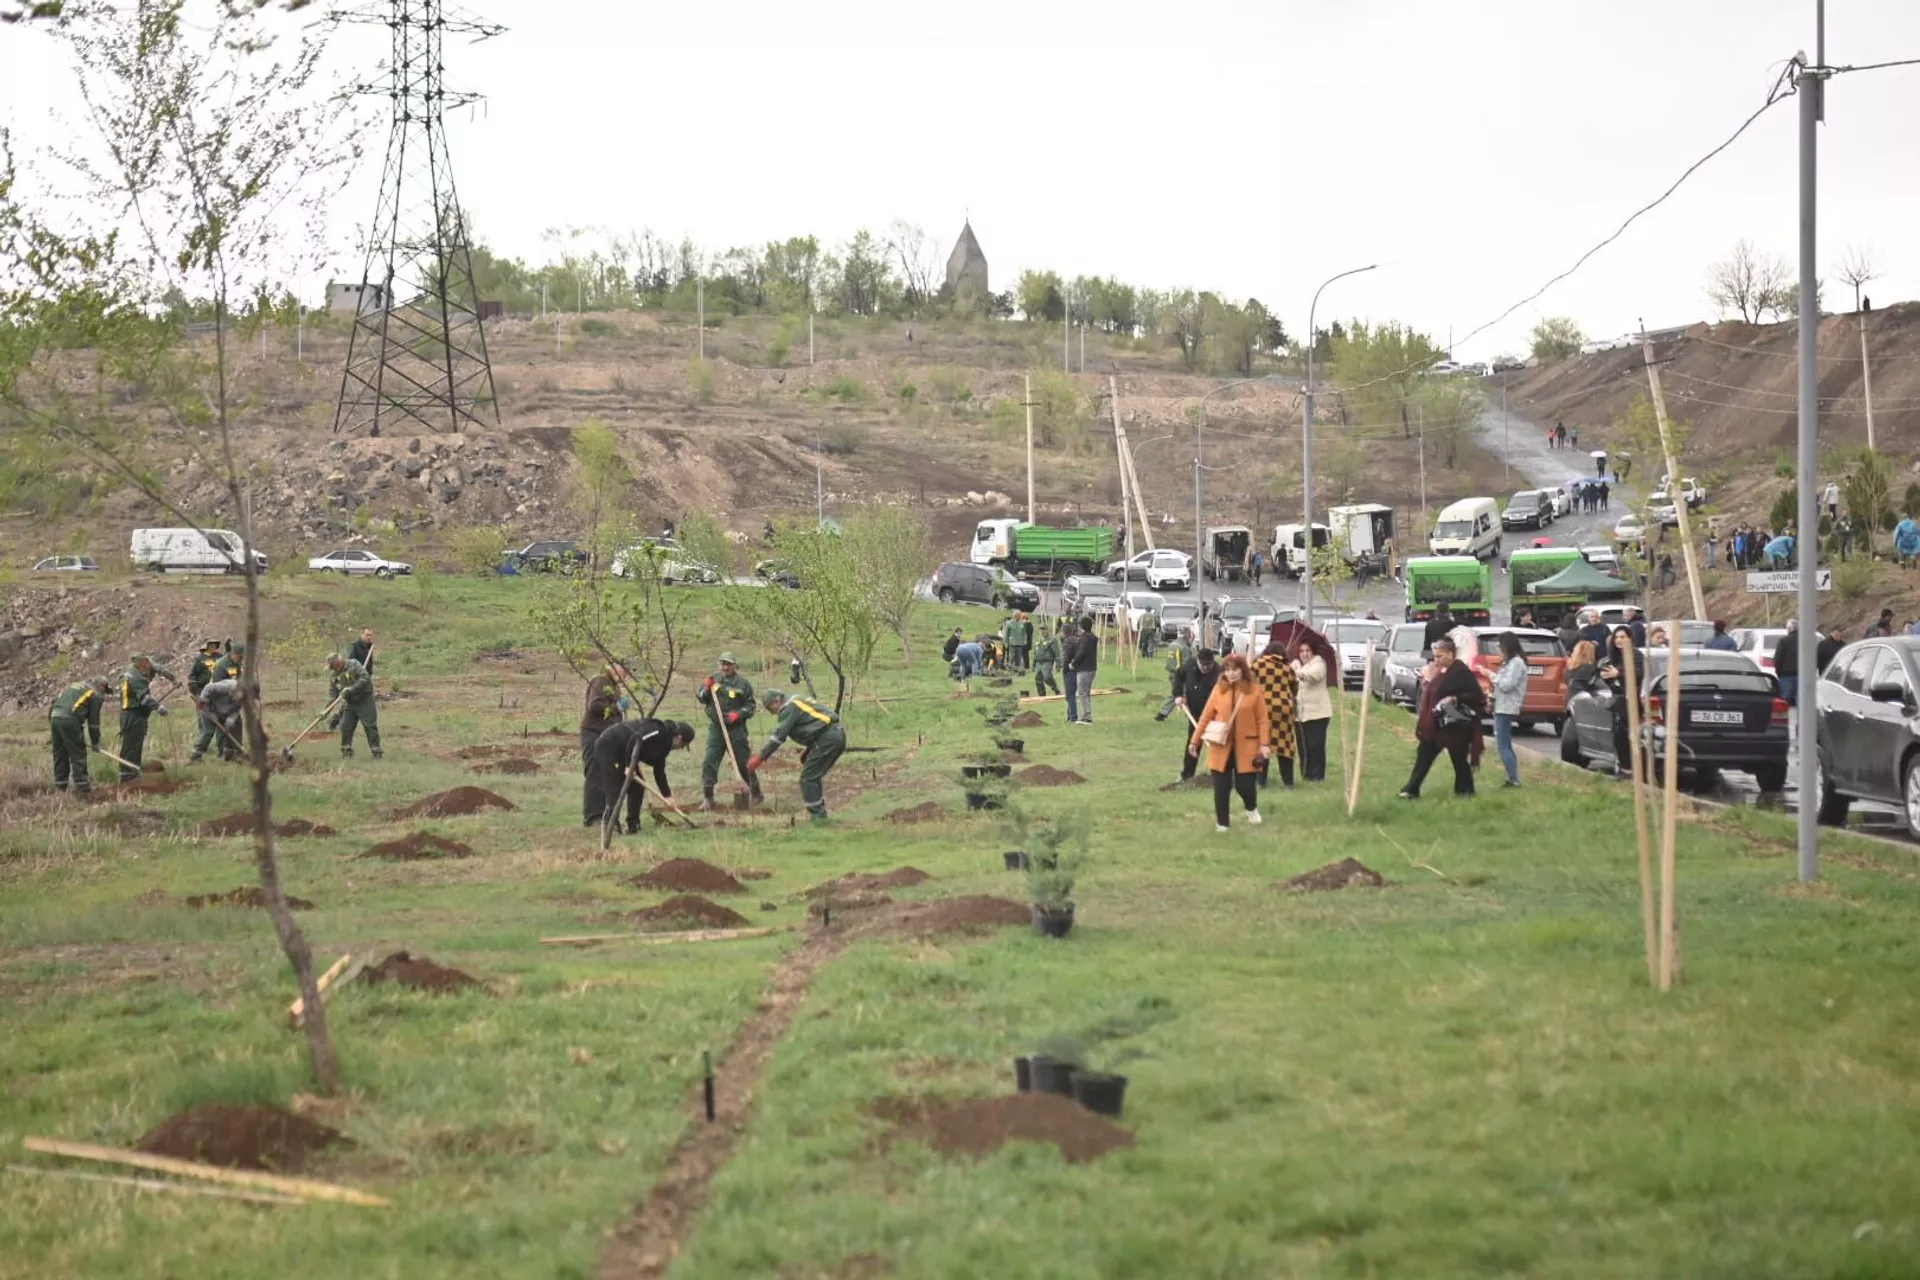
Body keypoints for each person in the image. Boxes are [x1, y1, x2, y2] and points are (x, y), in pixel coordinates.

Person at [1187, 653, 1271, 832]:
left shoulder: (1254, 691)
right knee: (1221, 787)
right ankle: (1222, 824)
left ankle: (1251, 808)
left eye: (1235, 670)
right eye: (1227, 670)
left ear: (1243, 671)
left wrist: (1264, 744)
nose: (1231, 674)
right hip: (1221, 746)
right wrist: (1195, 741)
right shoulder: (1219, 690)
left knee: (1245, 786)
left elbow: (1263, 720)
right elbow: (1205, 717)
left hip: (1246, 746)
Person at [1398, 637, 1486, 799]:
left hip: (1454, 727)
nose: (1435, 660)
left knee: (1459, 759)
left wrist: (1455, 699)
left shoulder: (1461, 672)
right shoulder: (1441, 672)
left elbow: (1476, 695)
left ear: (1451, 654)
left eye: (1439, 656)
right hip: (1435, 726)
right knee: (1424, 755)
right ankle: (1411, 789)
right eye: (1434, 656)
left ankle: (1466, 792)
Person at [747, 689, 846, 821]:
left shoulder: (789, 708)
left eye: (770, 708)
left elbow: (778, 737)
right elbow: (815, 721)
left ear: (777, 700)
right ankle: (820, 812)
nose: (772, 713)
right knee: (813, 775)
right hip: (834, 734)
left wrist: (759, 758)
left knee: (808, 778)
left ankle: (818, 817)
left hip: (827, 739)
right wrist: (809, 748)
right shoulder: (798, 699)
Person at [588, 718, 695, 834]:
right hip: (609, 746)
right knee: (614, 788)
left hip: (625, 753)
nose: (681, 748)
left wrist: (667, 796)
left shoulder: (665, 745)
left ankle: (633, 824)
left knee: (637, 788)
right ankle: (611, 825)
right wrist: (629, 766)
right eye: (683, 745)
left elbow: (659, 771)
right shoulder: (658, 731)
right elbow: (636, 739)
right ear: (679, 738)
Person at [696, 651, 762, 810]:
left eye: (728, 664)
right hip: (717, 729)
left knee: (743, 764)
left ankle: (756, 793)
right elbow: (701, 698)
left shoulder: (743, 684)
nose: (725, 667)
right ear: (719, 665)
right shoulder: (713, 680)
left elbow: (751, 706)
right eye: (723, 664)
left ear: (734, 666)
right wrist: (706, 688)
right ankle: (708, 798)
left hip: (736, 730)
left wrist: (738, 714)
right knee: (709, 762)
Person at [580, 661, 630, 826]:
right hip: (594, 733)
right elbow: (594, 705)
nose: (626, 675)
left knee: (606, 775)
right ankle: (593, 816)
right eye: (624, 671)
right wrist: (617, 707)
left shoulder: (613, 686)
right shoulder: (600, 681)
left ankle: (605, 816)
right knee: (595, 773)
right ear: (614, 667)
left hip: (607, 737)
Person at [1248, 640, 1299, 788]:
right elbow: (1295, 687)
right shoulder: (1286, 667)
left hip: (1263, 710)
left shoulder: (1257, 665)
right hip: (1283, 711)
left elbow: (1247, 684)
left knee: (1263, 745)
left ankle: (1261, 782)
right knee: (1285, 747)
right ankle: (1288, 783)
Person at [115, 654, 173, 781]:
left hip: (127, 713)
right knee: (133, 746)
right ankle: (128, 776)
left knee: (129, 745)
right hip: (134, 715)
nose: (148, 664)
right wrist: (158, 707)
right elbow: (144, 698)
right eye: (146, 661)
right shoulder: (137, 677)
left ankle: (129, 772)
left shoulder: (128, 674)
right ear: (140, 662)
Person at [50, 676, 110, 794]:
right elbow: (94, 723)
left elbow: (53, 702)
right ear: (101, 686)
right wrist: (95, 742)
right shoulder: (95, 694)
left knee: (60, 753)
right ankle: (83, 788)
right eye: (105, 691)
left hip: (55, 716)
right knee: (78, 753)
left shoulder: (75, 685)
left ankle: (60, 786)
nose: (104, 694)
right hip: (70, 719)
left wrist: (54, 727)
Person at [192, 641, 247, 760]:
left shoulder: (237, 665)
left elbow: (237, 707)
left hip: (227, 700)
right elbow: (211, 688)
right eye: (240, 656)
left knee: (235, 723)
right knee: (209, 731)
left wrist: (231, 718)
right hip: (213, 702)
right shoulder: (221, 666)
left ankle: (232, 752)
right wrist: (203, 703)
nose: (241, 659)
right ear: (234, 653)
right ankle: (196, 755)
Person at [1172, 648, 1221, 782]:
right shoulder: (1189, 665)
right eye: (1203, 665)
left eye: (1209, 665)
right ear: (1197, 662)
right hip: (1194, 713)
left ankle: (1218, 775)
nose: (1205, 668)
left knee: (1216, 744)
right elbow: (1178, 676)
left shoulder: (1219, 673)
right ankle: (1187, 775)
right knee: (1193, 743)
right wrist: (1178, 695)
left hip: (1214, 716)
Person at [1291, 641, 1332, 782]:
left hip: (1318, 714)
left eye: (1308, 650)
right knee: (1303, 747)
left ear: (1313, 652)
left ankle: (1318, 776)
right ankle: (1306, 775)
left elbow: (1312, 676)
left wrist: (1296, 672)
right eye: (1302, 651)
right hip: (1300, 714)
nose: (1304, 654)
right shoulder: (1296, 664)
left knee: (1316, 746)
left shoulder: (1319, 664)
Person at [326, 653, 381, 759]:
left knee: (369, 726)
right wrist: (325, 711)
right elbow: (333, 694)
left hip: (364, 700)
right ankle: (346, 751)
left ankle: (376, 751)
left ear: (338, 663)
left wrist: (351, 689)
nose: (332, 669)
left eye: (333, 666)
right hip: (350, 703)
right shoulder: (333, 676)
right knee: (346, 727)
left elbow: (365, 678)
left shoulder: (354, 664)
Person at [184, 637, 224, 765]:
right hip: (203, 693)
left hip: (219, 693)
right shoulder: (199, 659)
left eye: (214, 645)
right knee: (206, 725)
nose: (213, 647)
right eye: (210, 645)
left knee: (221, 724)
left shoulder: (220, 657)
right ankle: (198, 753)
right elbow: (192, 676)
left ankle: (223, 751)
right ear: (206, 646)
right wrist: (195, 690)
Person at [198, 675, 246, 763]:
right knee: (208, 732)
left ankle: (229, 755)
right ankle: (196, 757)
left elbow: (235, 711)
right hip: (209, 708)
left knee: (231, 728)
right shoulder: (228, 686)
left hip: (222, 712)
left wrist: (229, 722)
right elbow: (209, 687)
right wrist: (202, 701)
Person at [1063, 616, 1098, 724]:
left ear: (1082, 626)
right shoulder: (1093, 637)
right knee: (1086, 693)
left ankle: (1087, 717)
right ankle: (1087, 714)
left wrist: (1073, 663)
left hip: (1084, 669)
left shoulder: (1084, 638)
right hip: (1092, 668)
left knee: (1082, 693)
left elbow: (1082, 652)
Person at [1032, 622, 1062, 698]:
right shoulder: (1037, 640)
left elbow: (1057, 653)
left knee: (1047, 677)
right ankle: (1042, 695)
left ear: (1047, 630)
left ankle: (1055, 688)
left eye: (1044, 629)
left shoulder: (1052, 640)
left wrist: (1058, 665)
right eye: (1041, 629)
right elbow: (1035, 653)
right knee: (1038, 678)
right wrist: (1033, 664)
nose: (1042, 631)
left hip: (1047, 661)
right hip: (1038, 662)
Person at [1773, 622, 1800, 705]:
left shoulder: (1784, 641)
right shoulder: (1806, 640)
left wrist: (1778, 672)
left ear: (1789, 629)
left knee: (1783, 702)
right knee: (1802, 702)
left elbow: (1778, 659)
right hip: (1803, 676)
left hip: (1787, 676)